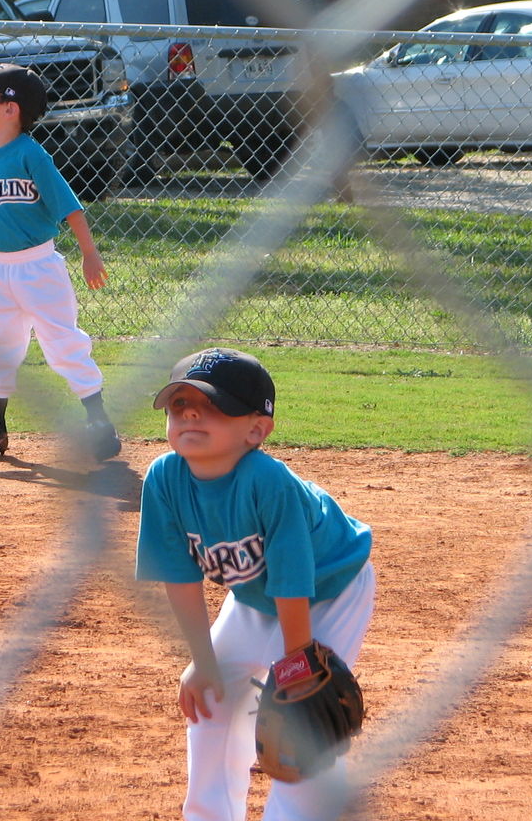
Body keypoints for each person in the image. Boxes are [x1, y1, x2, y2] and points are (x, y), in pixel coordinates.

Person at [135, 348, 375, 821]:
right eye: (180, 405)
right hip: (253, 595)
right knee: (210, 701)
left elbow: (292, 578)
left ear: (256, 429)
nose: (190, 414)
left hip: (330, 587)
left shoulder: (269, 481)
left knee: (304, 718)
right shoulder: (164, 478)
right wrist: (202, 662)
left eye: (212, 406)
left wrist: (298, 664)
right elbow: (180, 578)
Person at [0, 62, 121, 463]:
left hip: (39, 268)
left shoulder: (32, 155)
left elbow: (70, 208)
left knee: (63, 343)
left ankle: (99, 423)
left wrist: (89, 253)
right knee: (1, 348)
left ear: (10, 108)